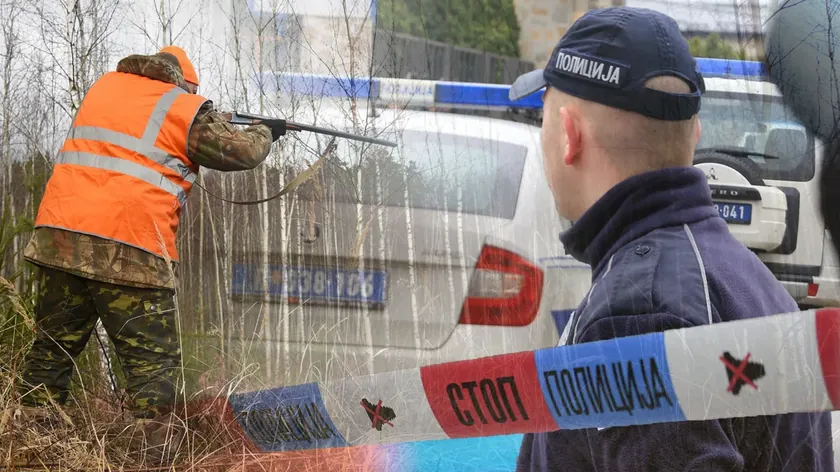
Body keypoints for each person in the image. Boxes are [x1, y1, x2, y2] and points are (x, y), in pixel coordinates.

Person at [508, 6, 833, 471]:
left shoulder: (639, 312)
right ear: (695, 133)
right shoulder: (740, 275)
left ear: (568, 135)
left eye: (543, 115)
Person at [15, 45, 284, 464]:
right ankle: (153, 462)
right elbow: (242, 152)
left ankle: (31, 453)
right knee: (152, 378)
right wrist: (266, 131)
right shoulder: (180, 105)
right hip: (129, 249)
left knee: (50, 355)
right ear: (185, 83)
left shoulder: (104, 88)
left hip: (60, 240)